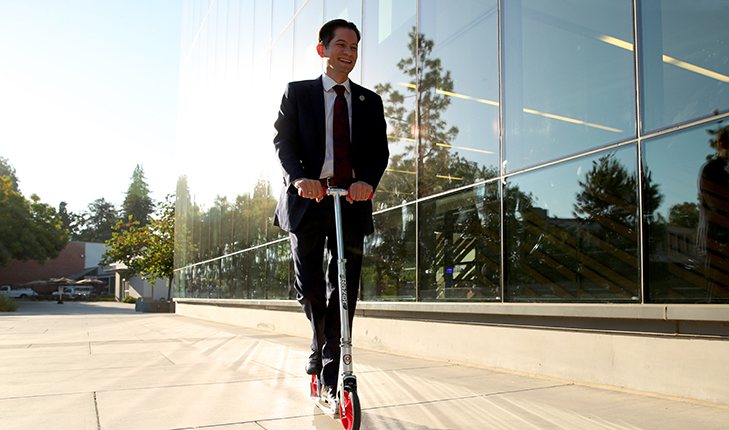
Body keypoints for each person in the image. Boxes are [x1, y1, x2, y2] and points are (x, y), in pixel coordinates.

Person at [272, 19, 389, 404]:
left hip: (350, 203)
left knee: (345, 290)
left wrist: (366, 182)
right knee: (311, 289)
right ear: (322, 49)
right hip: (308, 200)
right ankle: (318, 343)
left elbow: (378, 154)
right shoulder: (298, 93)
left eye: (355, 47)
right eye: (341, 45)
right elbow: (284, 143)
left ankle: (332, 370)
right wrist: (298, 178)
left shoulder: (369, 102)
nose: (349, 53)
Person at [697, 125, 729, 302]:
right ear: (723, 145)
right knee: (718, 290)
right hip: (718, 240)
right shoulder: (711, 170)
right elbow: (718, 204)